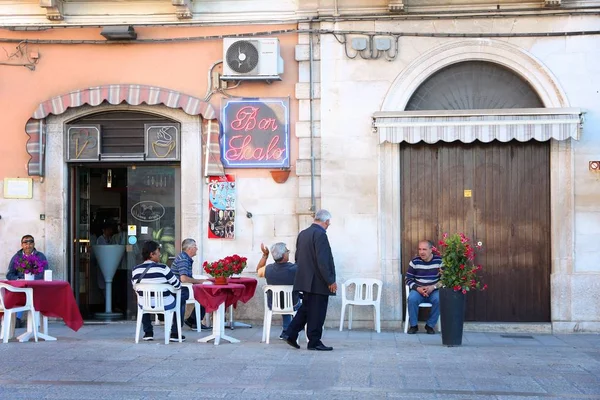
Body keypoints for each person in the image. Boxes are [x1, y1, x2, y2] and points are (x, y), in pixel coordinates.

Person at [283, 209, 337, 351]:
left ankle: (290, 333)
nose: (328, 225)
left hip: (305, 280)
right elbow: (323, 261)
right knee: (317, 312)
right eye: (328, 223)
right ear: (325, 221)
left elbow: (297, 257)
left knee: (306, 309)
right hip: (318, 282)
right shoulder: (320, 235)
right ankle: (314, 341)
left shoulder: (303, 234)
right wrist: (330, 280)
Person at [131, 240, 183, 342]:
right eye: (158, 251)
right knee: (180, 299)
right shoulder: (163, 268)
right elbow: (177, 285)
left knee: (143, 298)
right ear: (151, 254)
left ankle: (148, 332)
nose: (160, 254)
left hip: (144, 304)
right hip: (164, 303)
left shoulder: (135, 270)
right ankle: (175, 333)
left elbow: (135, 287)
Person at [256, 242, 300, 340]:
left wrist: (265, 255)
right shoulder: (295, 269)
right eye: (287, 252)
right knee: (303, 304)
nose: (288, 253)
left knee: (284, 300)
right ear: (284, 255)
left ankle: (286, 330)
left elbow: (258, 269)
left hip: (273, 304)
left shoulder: (268, 269)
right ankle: (292, 329)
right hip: (293, 303)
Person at [6, 235, 49, 328]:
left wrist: (32, 280)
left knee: (34, 294)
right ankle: (17, 319)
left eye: (30, 243)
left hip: (36, 286)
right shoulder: (17, 257)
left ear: (34, 244)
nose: (28, 246)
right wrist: (18, 279)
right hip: (20, 286)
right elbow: (9, 274)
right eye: (25, 243)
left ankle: (35, 322)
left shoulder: (40, 256)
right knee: (18, 294)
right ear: (22, 245)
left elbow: (44, 272)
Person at [170, 238, 210, 331]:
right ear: (189, 249)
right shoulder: (183, 259)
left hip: (181, 287)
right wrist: (200, 281)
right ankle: (191, 322)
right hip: (178, 289)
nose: (197, 249)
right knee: (205, 294)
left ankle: (193, 321)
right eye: (195, 246)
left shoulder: (185, 258)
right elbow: (183, 279)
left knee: (205, 293)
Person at [405, 240, 443, 334]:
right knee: (412, 299)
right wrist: (418, 288)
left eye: (424, 249)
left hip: (434, 290)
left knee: (439, 299)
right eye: (420, 249)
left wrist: (433, 287)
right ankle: (413, 326)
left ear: (431, 250)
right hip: (418, 290)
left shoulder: (439, 261)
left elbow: (445, 280)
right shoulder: (415, 262)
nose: (421, 252)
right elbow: (407, 279)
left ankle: (430, 326)